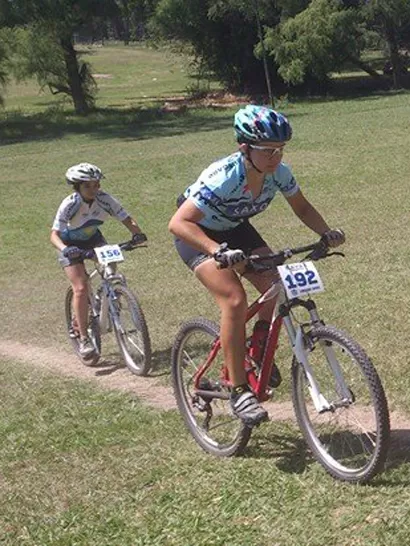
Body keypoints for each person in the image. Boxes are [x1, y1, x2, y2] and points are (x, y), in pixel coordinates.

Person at [169, 105, 345, 427]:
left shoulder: (279, 173)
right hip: (198, 233)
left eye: (280, 150)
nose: (275, 157)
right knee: (234, 299)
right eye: (267, 151)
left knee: (276, 281)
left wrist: (325, 233)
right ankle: (238, 390)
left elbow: (302, 207)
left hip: (235, 228)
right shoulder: (223, 176)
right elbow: (178, 223)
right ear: (245, 148)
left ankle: (258, 348)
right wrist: (215, 250)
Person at [51, 163, 147, 361]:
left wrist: (137, 233)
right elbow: (54, 235)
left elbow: (126, 218)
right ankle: (84, 337)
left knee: (111, 270)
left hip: (93, 239)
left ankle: (112, 299)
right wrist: (65, 249)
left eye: (96, 185)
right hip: (70, 244)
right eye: (88, 186)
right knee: (80, 287)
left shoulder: (105, 199)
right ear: (77, 187)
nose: (94, 189)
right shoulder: (70, 204)